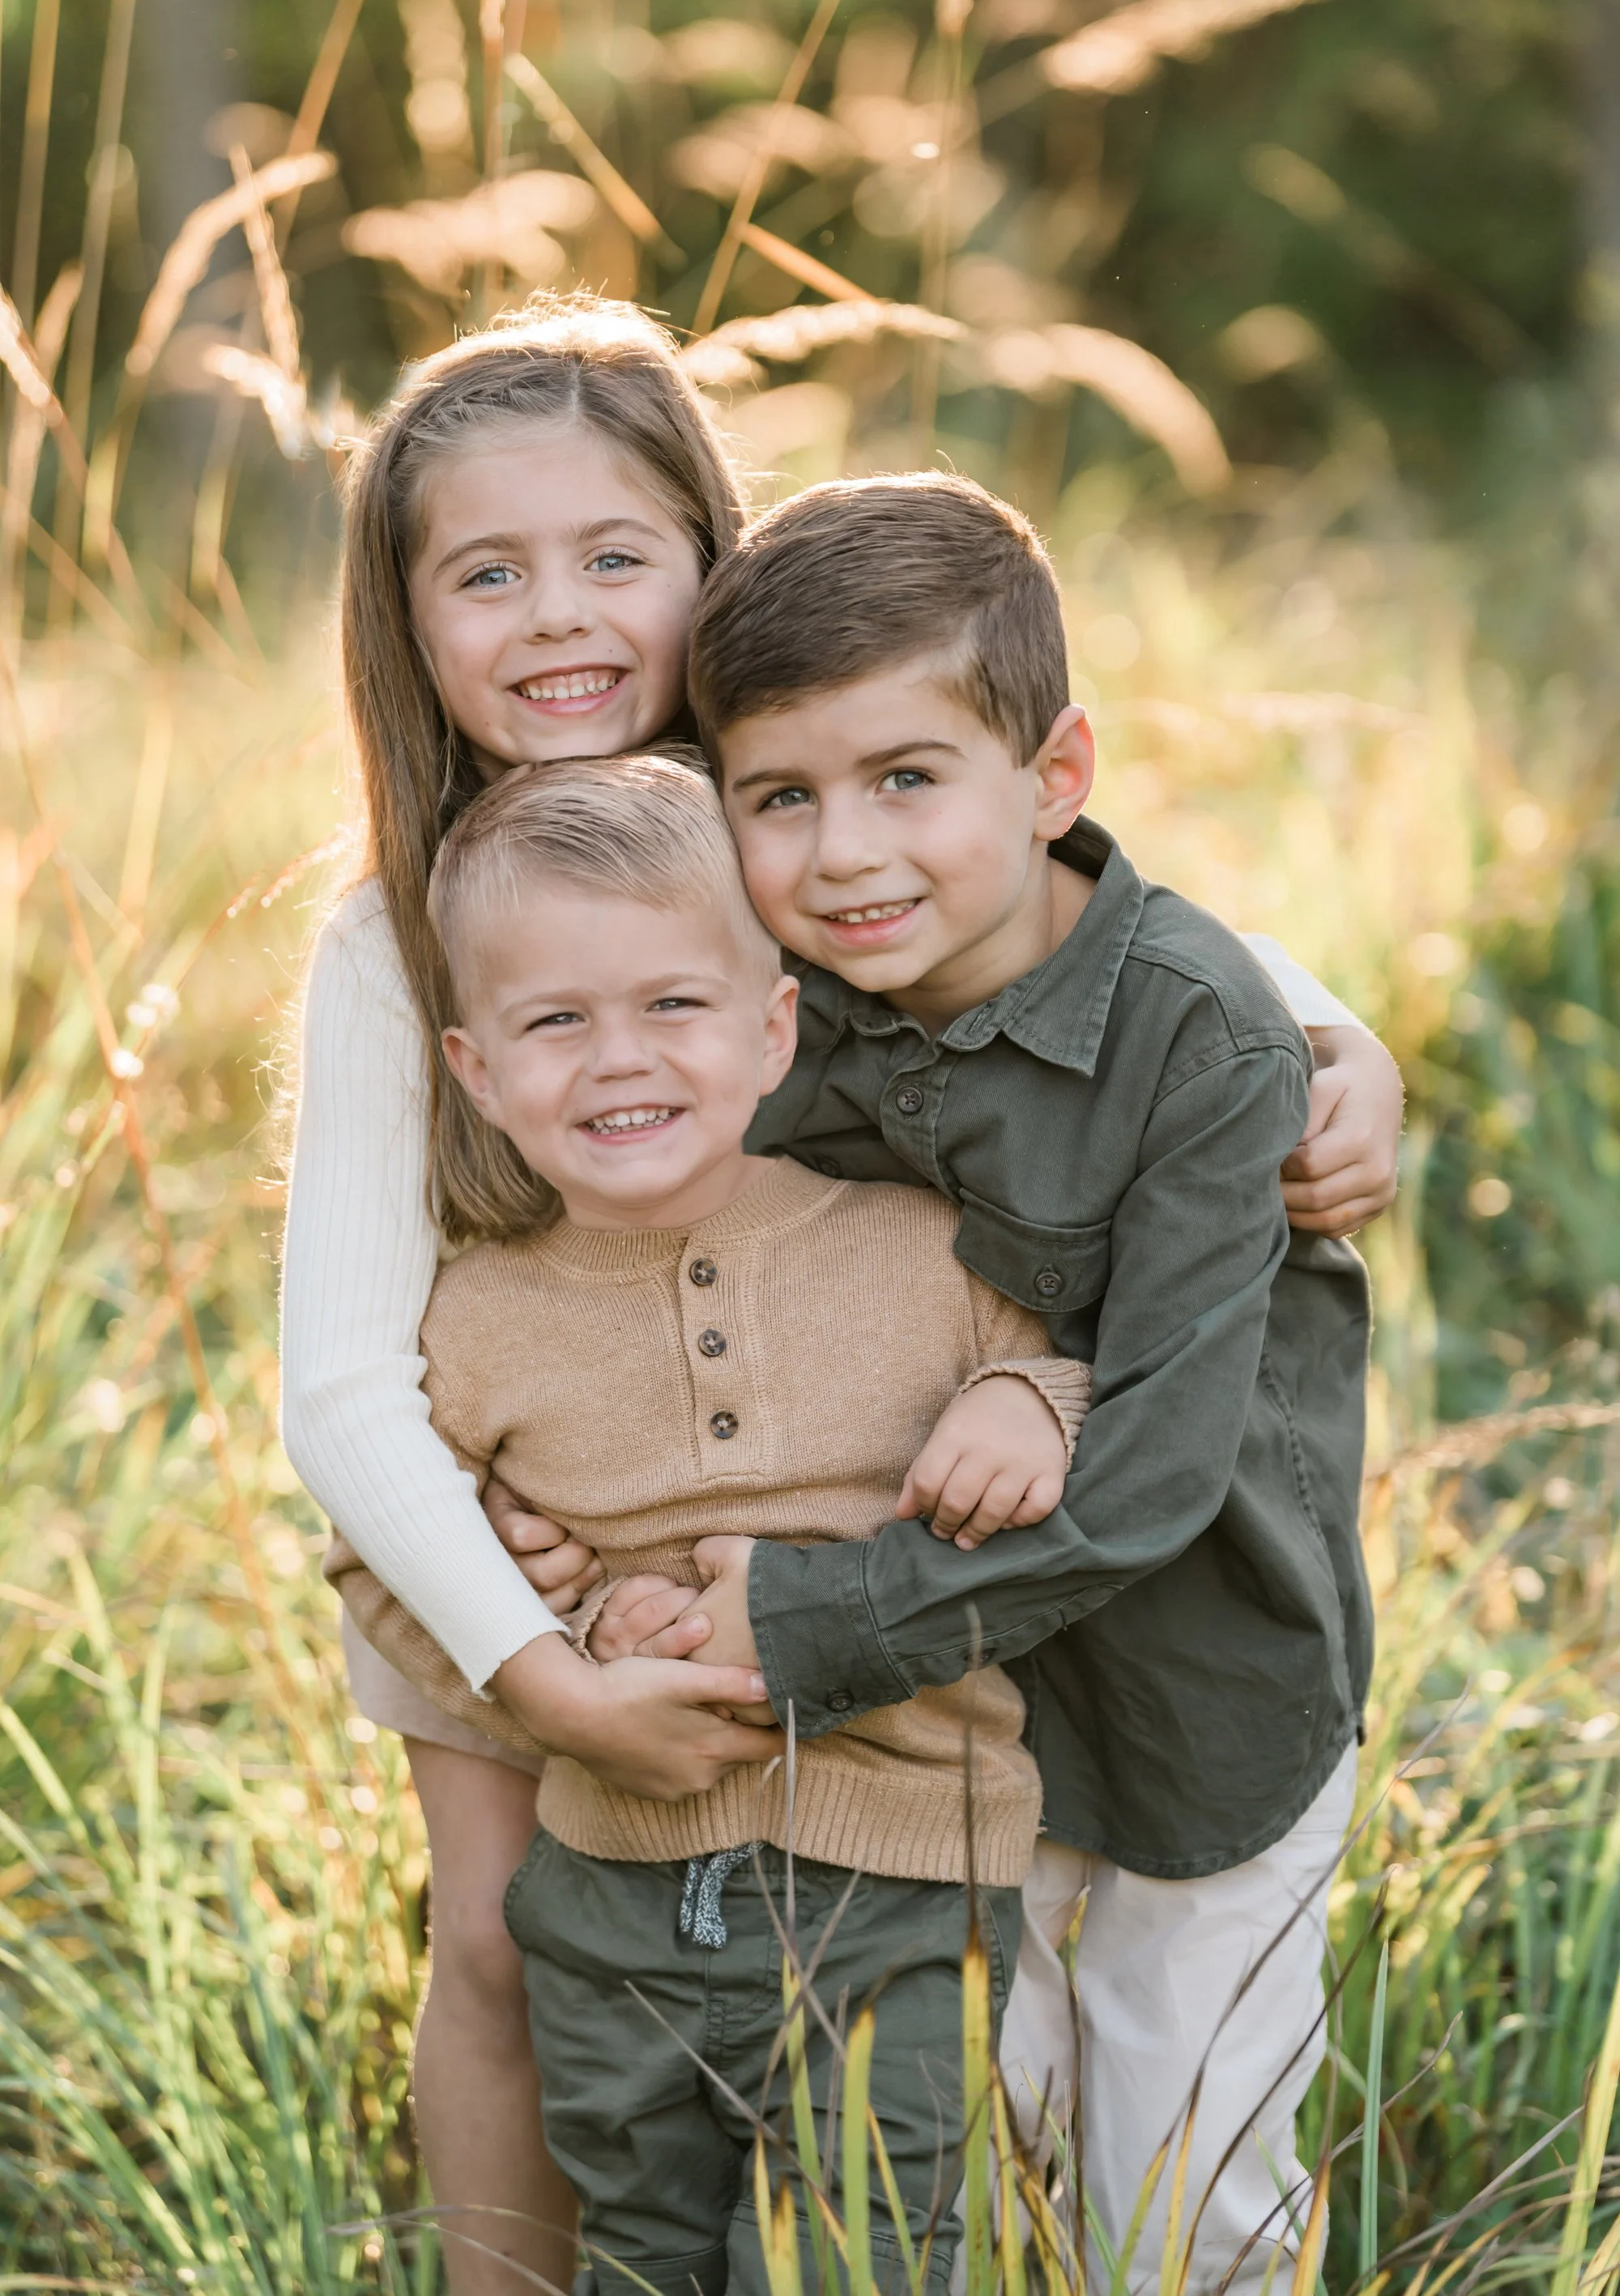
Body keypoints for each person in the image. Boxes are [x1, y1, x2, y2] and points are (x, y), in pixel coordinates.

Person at [279, 292, 1399, 2291]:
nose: (559, 618)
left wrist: (1329, 1035)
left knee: (916, 2017)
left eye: (617, 558)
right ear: (403, 616)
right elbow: (347, 1385)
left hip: (841, 1485)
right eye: (488, 573)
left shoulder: (784, 811)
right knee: (504, 1935)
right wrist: (518, 1634)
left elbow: (1075, 935)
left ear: (715, 572)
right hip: (509, 1514)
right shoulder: (395, 929)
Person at [591, 470, 1375, 2294]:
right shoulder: (792, 1019)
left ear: (1056, 776)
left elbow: (1161, 1471)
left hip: (1203, 1710)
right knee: (969, 2176)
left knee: (1181, 2213)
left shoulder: (1199, 1032)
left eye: (905, 780)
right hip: (946, 1742)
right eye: (778, 798)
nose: (842, 853)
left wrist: (800, 1617)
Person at [327, 752, 1096, 2296]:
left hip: (903, 1880)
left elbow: (1068, 1370)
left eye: (674, 1006)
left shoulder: (920, 1245)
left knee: (860, 2258)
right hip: (613, 1900)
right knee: (645, 2253)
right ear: (476, 1073)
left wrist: (1030, 1402)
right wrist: (546, 1627)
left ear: (773, 1027)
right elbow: (377, 1555)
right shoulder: (473, 1320)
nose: (620, 1060)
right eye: (556, 1023)